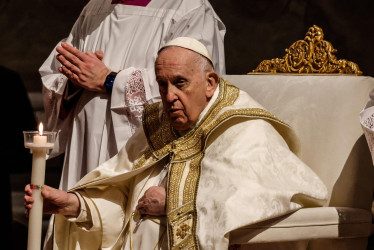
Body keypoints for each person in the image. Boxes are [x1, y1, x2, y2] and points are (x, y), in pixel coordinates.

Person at [26, 37, 327, 249]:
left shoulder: (244, 131)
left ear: (210, 83)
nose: (168, 96)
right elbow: (125, 203)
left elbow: (268, 201)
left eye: (180, 83)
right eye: (162, 83)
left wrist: (173, 203)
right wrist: (75, 206)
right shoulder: (159, 126)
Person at [40, 0, 226, 192]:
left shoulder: (190, 9)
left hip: (141, 159)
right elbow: (56, 77)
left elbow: (192, 85)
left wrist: (109, 80)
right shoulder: (94, 8)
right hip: (84, 147)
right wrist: (74, 79)